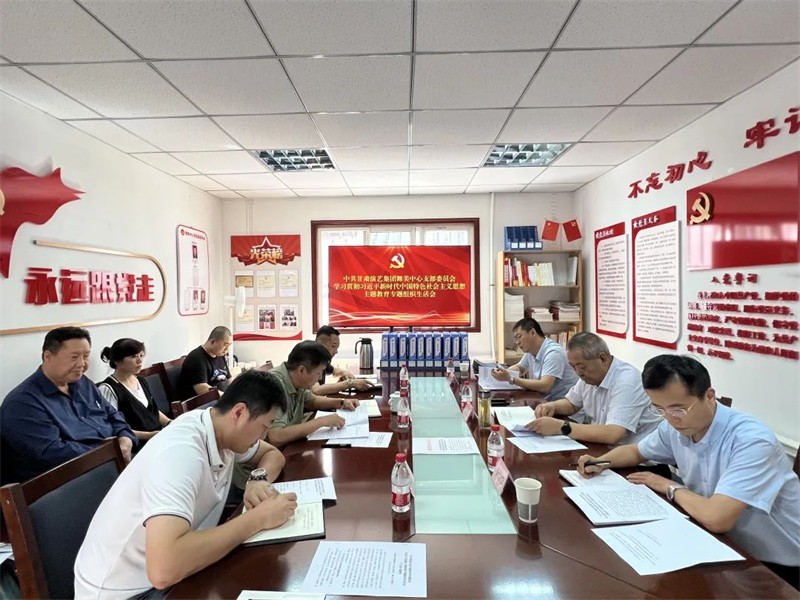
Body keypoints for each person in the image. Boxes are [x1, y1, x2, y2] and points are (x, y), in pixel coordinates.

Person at [577, 354, 800, 589]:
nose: (670, 419)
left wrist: (668, 486)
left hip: (779, 566)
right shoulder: (676, 426)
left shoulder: (752, 441)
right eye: (659, 409)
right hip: (724, 546)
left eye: (678, 409)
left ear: (709, 396)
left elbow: (717, 518)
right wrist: (600, 462)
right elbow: (636, 451)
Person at [74, 370, 295, 599]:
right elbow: (163, 570)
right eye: (264, 426)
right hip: (128, 591)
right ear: (239, 413)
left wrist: (258, 479)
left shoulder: (221, 430)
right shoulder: (181, 453)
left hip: (169, 571)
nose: (264, 435)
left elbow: (273, 455)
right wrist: (258, 519)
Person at [0, 327, 136, 483]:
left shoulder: (83, 383)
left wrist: (125, 437)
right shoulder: (22, 403)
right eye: (74, 357)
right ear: (48, 357)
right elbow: (53, 453)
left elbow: (112, 414)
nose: (81, 364)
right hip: (69, 482)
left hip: (114, 462)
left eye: (86, 356)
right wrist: (111, 452)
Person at [526, 332, 661, 445]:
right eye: (573, 367)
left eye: (582, 366)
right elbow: (572, 404)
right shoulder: (589, 376)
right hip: (605, 450)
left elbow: (613, 434)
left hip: (639, 462)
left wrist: (561, 427)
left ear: (603, 359)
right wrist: (552, 406)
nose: (578, 372)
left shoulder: (626, 382)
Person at [267, 341, 359, 448]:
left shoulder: (297, 379)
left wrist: (342, 403)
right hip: (275, 451)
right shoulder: (273, 385)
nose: (320, 378)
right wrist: (322, 421)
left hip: (290, 445)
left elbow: (312, 401)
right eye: (318, 373)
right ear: (302, 370)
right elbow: (276, 437)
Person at [97, 338, 171, 444]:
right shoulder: (108, 388)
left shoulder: (141, 380)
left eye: (141, 355)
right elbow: (113, 427)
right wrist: (148, 435)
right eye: (133, 357)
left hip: (157, 437)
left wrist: (169, 423)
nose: (140, 361)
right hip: (136, 443)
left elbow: (152, 412)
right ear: (117, 361)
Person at [490, 318, 578, 400]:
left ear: (532, 332)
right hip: (544, 402)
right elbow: (520, 367)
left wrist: (511, 378)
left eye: (519, 336)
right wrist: (503, 372)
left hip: (563, 406)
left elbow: (545, 386)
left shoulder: (553, 353)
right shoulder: (531, 350)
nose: (517, 342)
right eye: (515, 338)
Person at [312, 325, 372, 395]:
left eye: (337, 348)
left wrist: (345, 372)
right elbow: (316, 390)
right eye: (333, 346)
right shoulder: (309, 358)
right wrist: (350, 383)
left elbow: (334, 371)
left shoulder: (322, 360)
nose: (336, 351)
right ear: (320, 344)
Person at [176, 326, 232, 400]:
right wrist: (227, 397)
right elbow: (202, 389)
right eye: (225, 345)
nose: (227, 349)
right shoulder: (196, 358)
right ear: (213, 341)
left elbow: (229, 379)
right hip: (201, 403)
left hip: (219, 399)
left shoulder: (220, 354)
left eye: (229, 346)